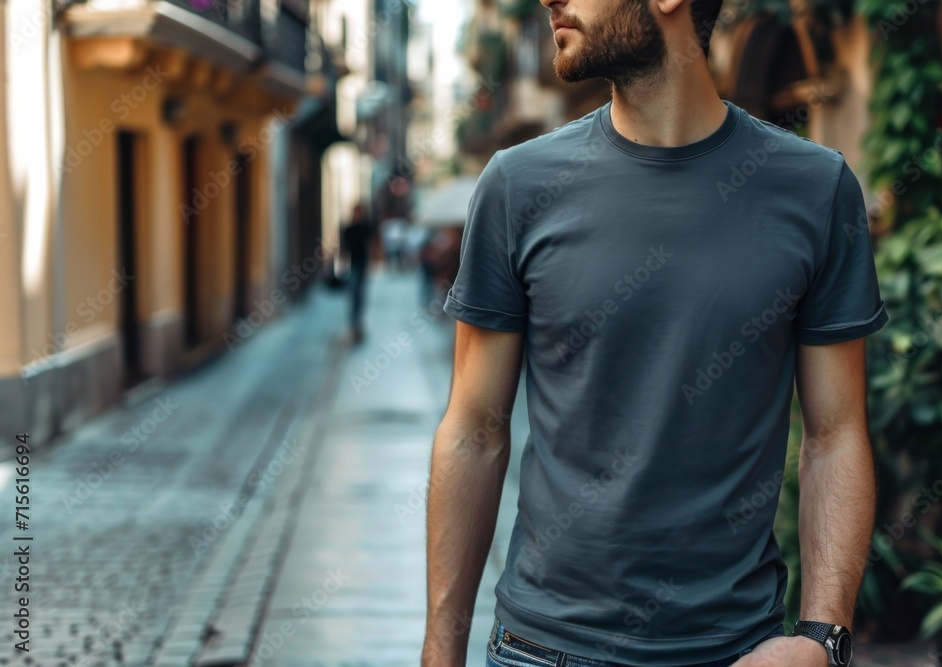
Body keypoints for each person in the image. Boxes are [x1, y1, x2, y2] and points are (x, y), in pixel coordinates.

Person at [423, 1, 889, 667]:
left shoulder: (816, 189)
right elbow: (472, 429)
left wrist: (824, 639)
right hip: (544, 648)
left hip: (736, 650)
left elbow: (836, 432)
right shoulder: (516, 184)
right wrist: (440, 655)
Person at [339, 203, 376, 344]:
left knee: (360, 296)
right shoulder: (349, 229)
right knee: (354, 295)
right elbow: (344, 247)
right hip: (353, 265)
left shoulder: (366, 227)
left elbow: (373, 243)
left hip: (362, 266)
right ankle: (354, 324)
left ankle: (357, 324)